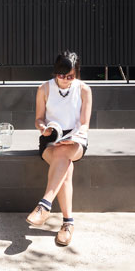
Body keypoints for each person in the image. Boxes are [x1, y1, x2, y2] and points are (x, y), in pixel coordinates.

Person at [26, 51, 92, 246]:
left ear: (77, 73)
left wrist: (74, 137)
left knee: (64, 153)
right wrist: (43, 128)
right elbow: (38, 119)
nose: (64, 80)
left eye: (69, 76)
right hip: (50, 139)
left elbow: (85, 124)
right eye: (60, 75)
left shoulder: (84, 90)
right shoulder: (44, 88)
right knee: (66, 167)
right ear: (55, 72)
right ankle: (67, 224)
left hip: (74, 140)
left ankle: (45, 205)